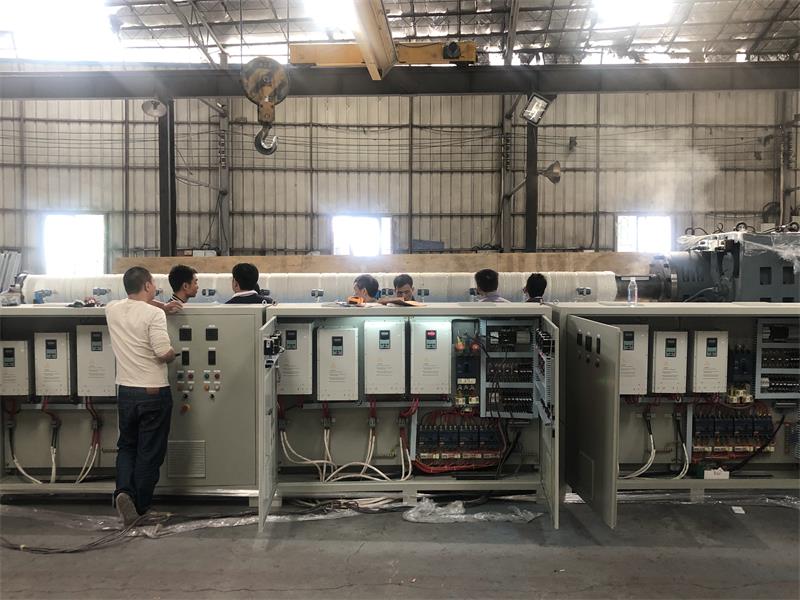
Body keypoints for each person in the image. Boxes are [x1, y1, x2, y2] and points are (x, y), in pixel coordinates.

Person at [106, 267, 177, 525]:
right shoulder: (154, 315)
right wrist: (174, 353)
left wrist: (161, 305)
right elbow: (162, 352)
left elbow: (135, 305)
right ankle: (141, 509)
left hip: (126, 391)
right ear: (147, 286)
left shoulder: (112, 309)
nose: (155, 287)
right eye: (154, 284)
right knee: (149, 452)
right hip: (153, 391)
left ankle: (124, 492)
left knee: (127, 446)